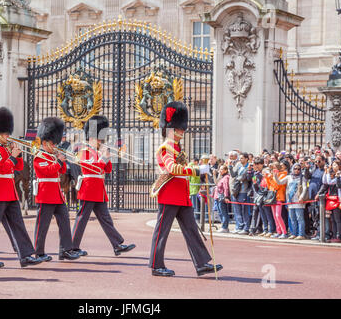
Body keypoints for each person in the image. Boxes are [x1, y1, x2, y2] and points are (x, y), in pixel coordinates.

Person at [149, 101, 222, 277]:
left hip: (181, 193)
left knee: (191, 229)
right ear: (171, 128)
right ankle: (156, 265)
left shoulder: (176, 147)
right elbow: (173, 169)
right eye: (180, 129)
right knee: (162, 231)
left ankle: (202, 263)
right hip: (169, 193)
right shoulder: (166, 147)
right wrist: (197, 169)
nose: (182, 131)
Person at [0, 107, 42, 268]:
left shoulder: (6, 150)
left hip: (9, 191)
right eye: (5, 134)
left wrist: (19, 154)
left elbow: (18, 167)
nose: (8, 136)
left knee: (18, 224)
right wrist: (13, 157)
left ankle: (26, 255)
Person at [71, 115, 136, 257]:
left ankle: (117, 245)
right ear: (91, 138)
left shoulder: (96, 151)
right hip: (88, 189)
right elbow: (90, 168)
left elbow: (107, 170)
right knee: (82, 219)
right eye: (99, 139)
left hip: (98, 190)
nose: (101, 141)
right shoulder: (85, 151)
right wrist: (103, 158)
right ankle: (72, 247)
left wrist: (107, 157)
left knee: (106, 219)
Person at [33, 117, 80, 261]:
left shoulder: (52, 155)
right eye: (53, 143)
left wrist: (62, 160)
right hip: (45, 193)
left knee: (65, 222)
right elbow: (47, 171)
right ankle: (38, 252)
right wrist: (58, 161)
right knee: (43, 226)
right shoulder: (39, 156)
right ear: (46, 142)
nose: (55, 145)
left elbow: (62, 170)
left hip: (57, 194)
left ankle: (65, 250)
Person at [274, 163, 308, 239]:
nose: (297, 170)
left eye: (298, 169)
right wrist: (275, 176)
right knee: (292, 218)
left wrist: (302, 197)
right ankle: (294, 233)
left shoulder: (302, 178)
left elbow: (305, 188)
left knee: (300, 218)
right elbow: (280, 182)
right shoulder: (289, 177)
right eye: (295, 168)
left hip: (299, 201)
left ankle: (301, 234)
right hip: (290, 201)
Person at [317, 160, 341, 243]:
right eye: (333, 165)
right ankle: (334, 235)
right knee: (332, 219)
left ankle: (339, 235)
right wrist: (326, 172)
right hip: (331, 199)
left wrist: (328, 173)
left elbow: (330, 182)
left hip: (338, 199)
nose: (333, 166)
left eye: (335, 165)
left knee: (337, 219)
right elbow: (324, 181)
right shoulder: (332, 175)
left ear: (339, 166)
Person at [251, 158, 276, 237]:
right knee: (262, 215)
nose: (256, 166)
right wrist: (255, 183)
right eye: (255, 164)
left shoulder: (267, 177)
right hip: (260, 198)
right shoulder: (256, 175)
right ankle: (265, 229)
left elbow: (268, 188)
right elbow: (257, 189)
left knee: (268, 214)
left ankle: (271, 229)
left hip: (267, 198)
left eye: (258, 164)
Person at [228, 152, 252, 234]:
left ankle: (246, 228)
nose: (240, 159)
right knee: (237, 210)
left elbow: (246, 178)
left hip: (243, 191)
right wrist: (230, 167)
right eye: (240, 158)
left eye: (242, 158)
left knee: (244, 210)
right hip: (237, 190)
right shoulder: (239, 166)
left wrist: (245, 173)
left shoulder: (248, 167)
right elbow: (233, 175)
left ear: (246, 159)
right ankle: (239, 226)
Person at [265, 161, 289, 239]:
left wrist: (272, 178)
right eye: (272, 168)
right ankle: (278, 232)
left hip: (279, 197)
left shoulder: (283, 175)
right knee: (274, 216)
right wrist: (268, 178)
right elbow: (270, 187)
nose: (273, 170)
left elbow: (277, 186)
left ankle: (284, 232)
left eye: (275, 168)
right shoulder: (273, 175)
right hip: (273, 197)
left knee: (278, 215)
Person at [213, 164, 230, 232]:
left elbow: (226, 187)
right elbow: (216, 183)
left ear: (226, 170)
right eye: (220, 169)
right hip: (217, 196)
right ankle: (223, 226)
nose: (220, 170)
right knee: (220, 212)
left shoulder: (226, 177)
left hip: (221, 197)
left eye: (222, 169)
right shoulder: (221, 177)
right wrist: (215, 175)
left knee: (223, 212)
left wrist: (226, 196)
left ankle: (225, 227)